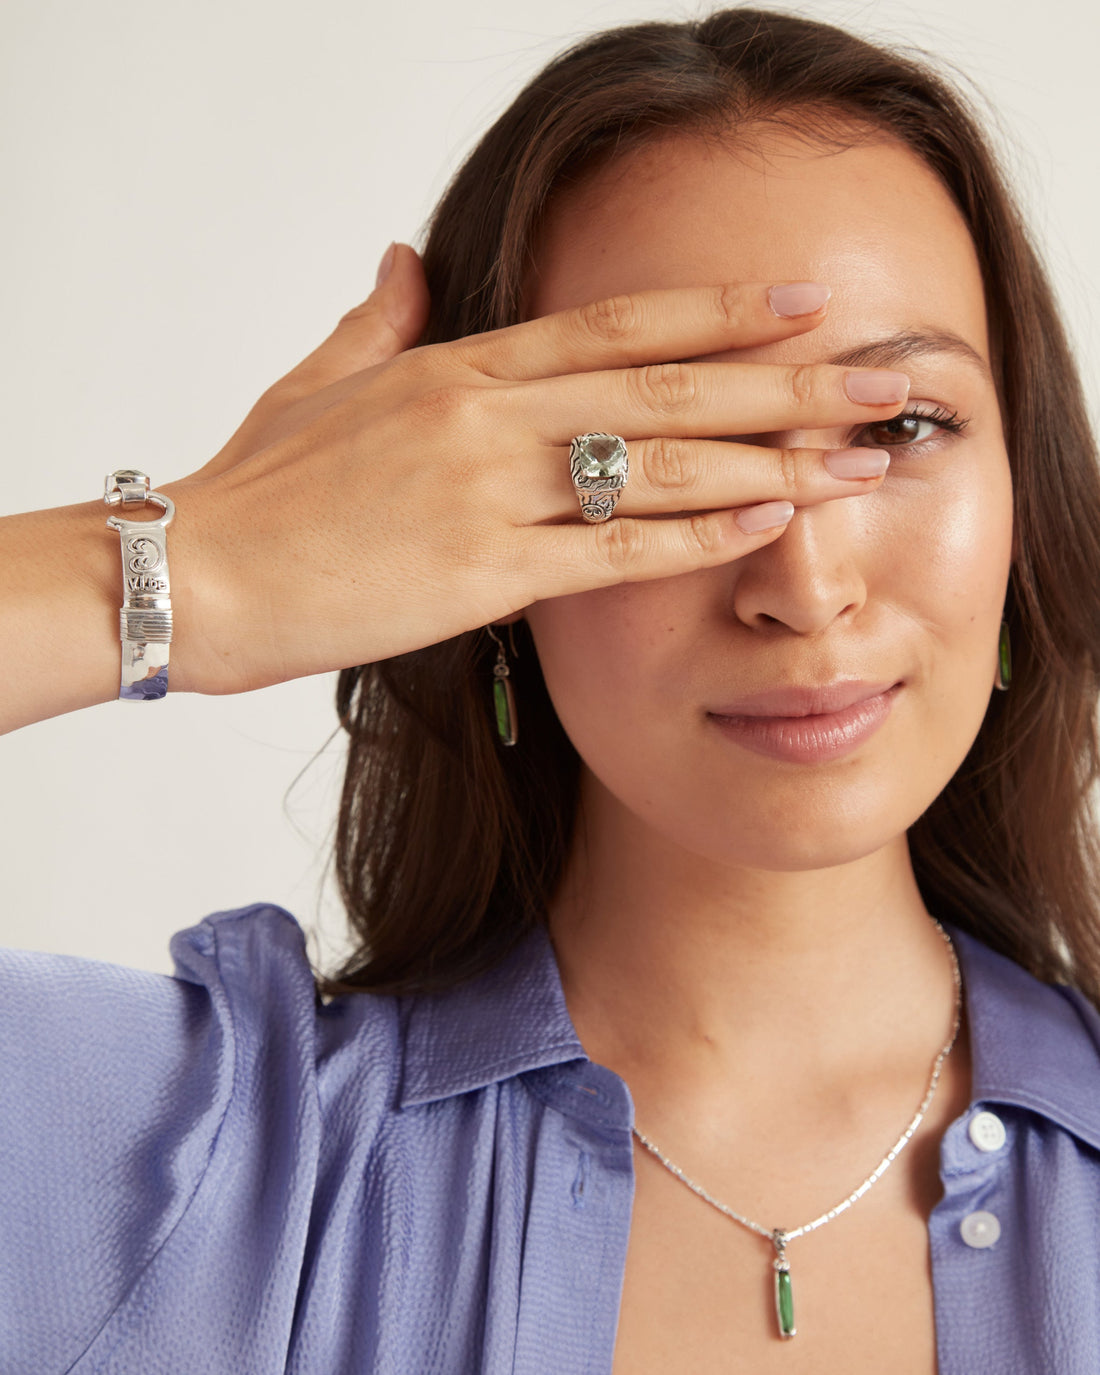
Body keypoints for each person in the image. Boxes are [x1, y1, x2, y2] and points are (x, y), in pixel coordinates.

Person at [2, 6, 1100, 1372]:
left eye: (898, 427)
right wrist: (180, 572)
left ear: (1027, 506)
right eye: (652, 452)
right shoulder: (194, 1175)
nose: (805, 585)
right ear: (480, 563)